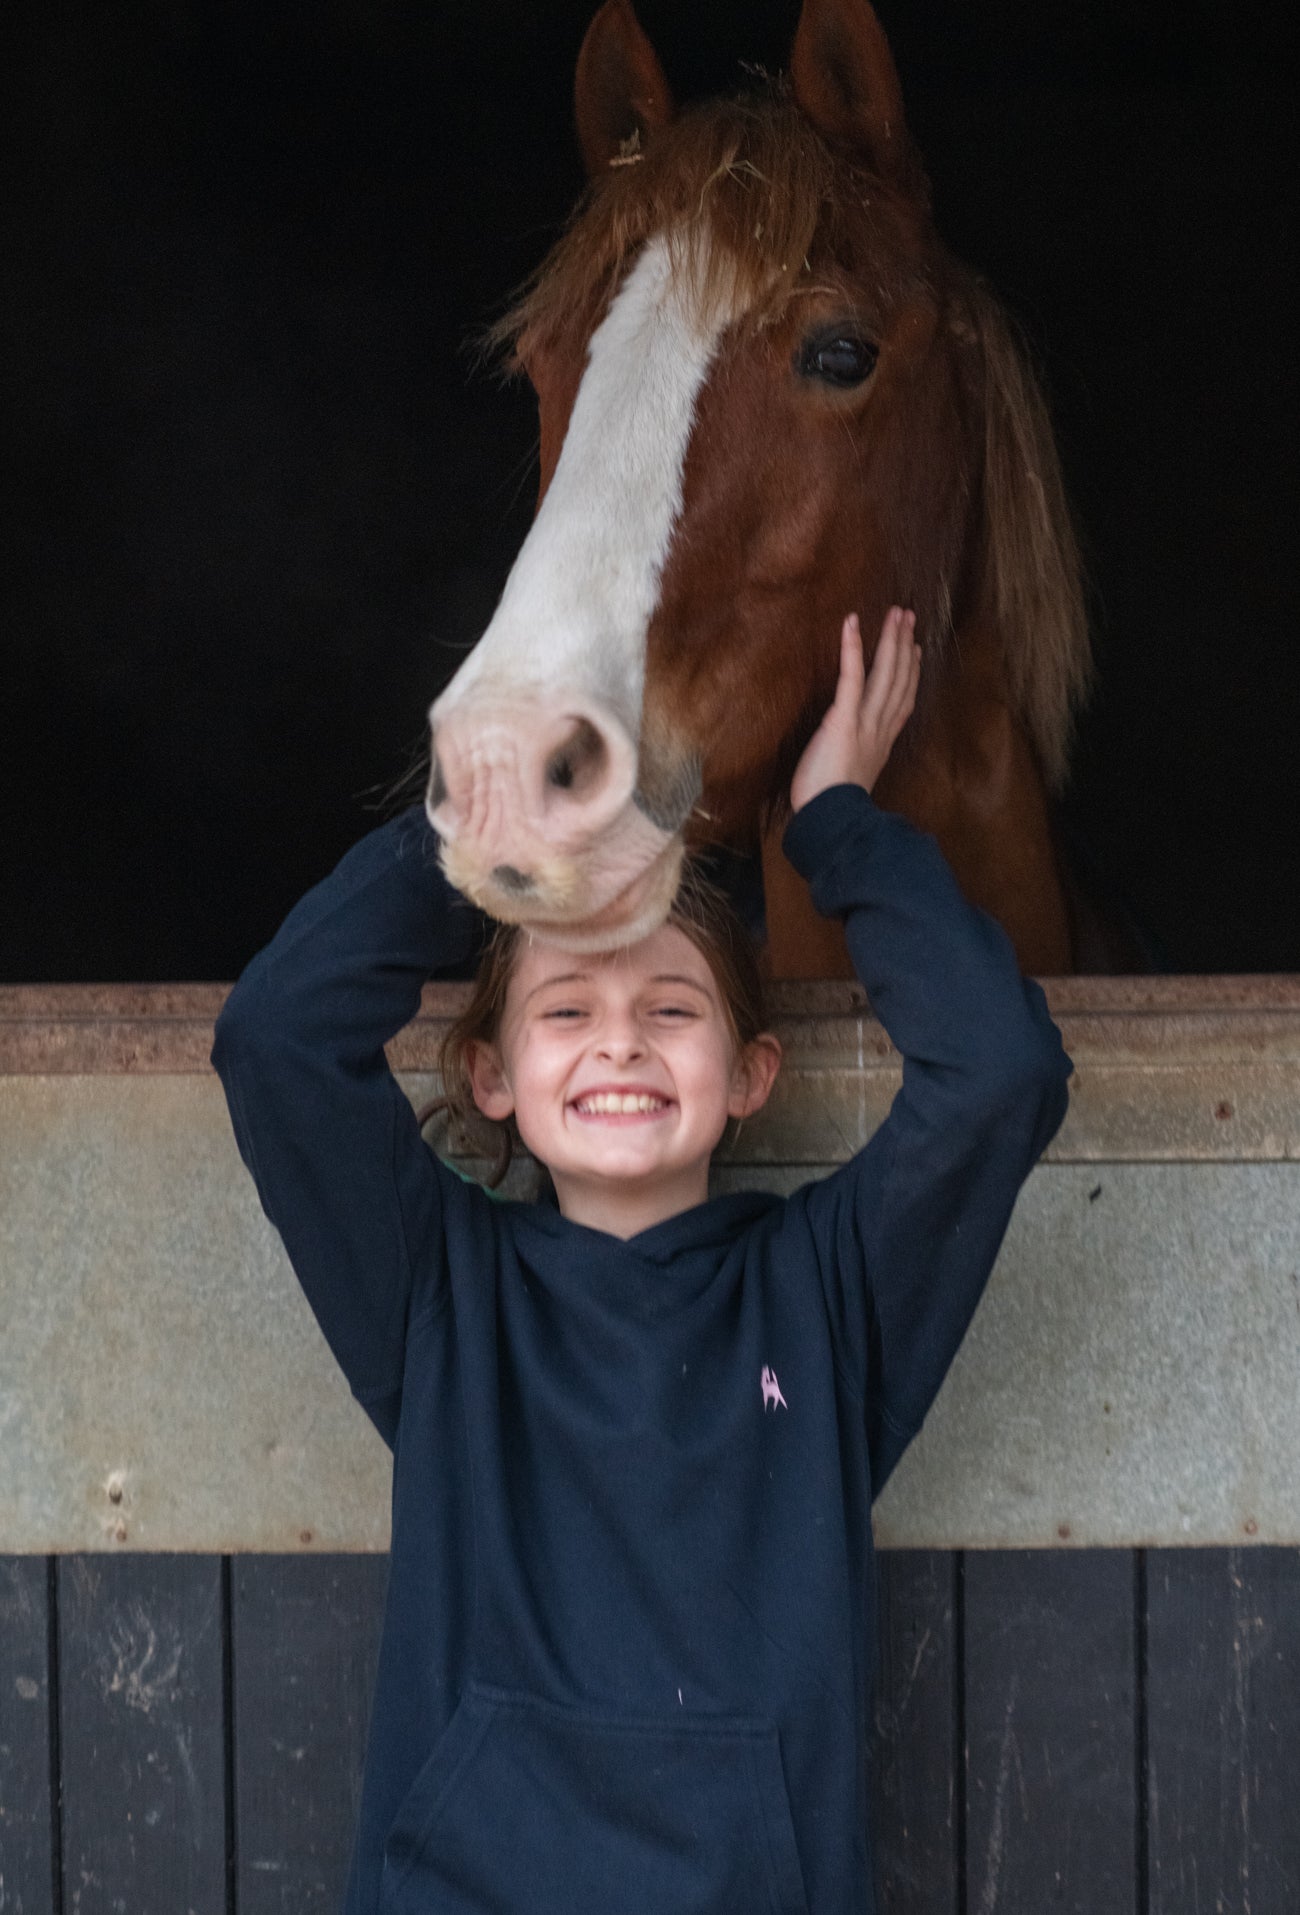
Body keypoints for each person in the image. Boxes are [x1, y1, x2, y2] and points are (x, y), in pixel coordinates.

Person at [212, 606, 1071, 1915]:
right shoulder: (441, 1296)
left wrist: (831, 819)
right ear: (494, 1077)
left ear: (750, 1076)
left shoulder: (830, 1297)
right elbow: (277, 1039)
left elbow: (999, 1073)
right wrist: (482, 837)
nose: (620, 1042)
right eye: (568, 1010)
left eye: (671, 1010)